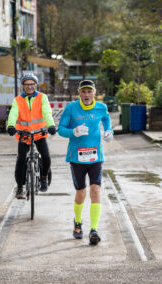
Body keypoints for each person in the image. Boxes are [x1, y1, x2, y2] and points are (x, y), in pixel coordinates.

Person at [58, 79, 113, 245]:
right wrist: (73, 132)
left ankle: (94, 229)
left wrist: (109, 131)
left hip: (96, 157)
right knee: (81, 193)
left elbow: (107, 121)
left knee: (95, 191)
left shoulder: (101, 107)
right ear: (79, 93)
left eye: (90, 91)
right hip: (77, 158)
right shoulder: (71, 108)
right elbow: (61, 129)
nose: (87, 95)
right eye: (84, 91)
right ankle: (77, 221)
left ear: (94, 93)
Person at [7, 72, 56, 199]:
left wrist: (50, 125)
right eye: (27, 84)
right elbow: (13, 113)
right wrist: (10, 125)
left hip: (39, 133)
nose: (29, 86)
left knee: (46, 156)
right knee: (21, 159)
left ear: (36, 85)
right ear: (23, 86)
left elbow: (47, 111)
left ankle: (44, 178)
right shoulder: (17, 100)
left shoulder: (42, 97)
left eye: (32, 84)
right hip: (24, 134)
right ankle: (20, 188)